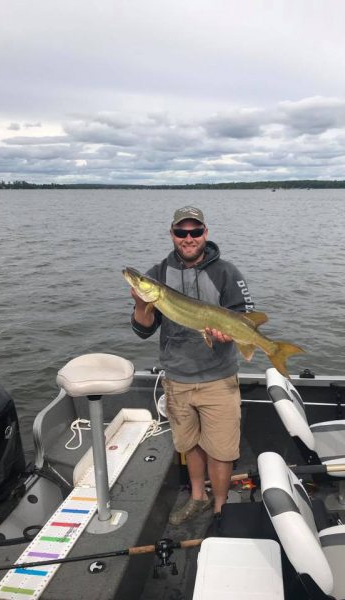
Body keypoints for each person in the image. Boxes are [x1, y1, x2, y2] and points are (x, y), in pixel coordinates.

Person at [130, 206, 254, 525]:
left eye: (195, 231)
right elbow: (143, 330)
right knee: (190, 445)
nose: (189, 238)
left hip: (218, 379)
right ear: (172, 234)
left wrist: (228, 334)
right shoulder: (157, 275)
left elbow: (244, 316)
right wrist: (141, 304)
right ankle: (198, 498)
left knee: (221, 450)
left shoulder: (226, 272)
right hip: (177, 378)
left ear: (205, 233)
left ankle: (221, 508)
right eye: (181, 232)